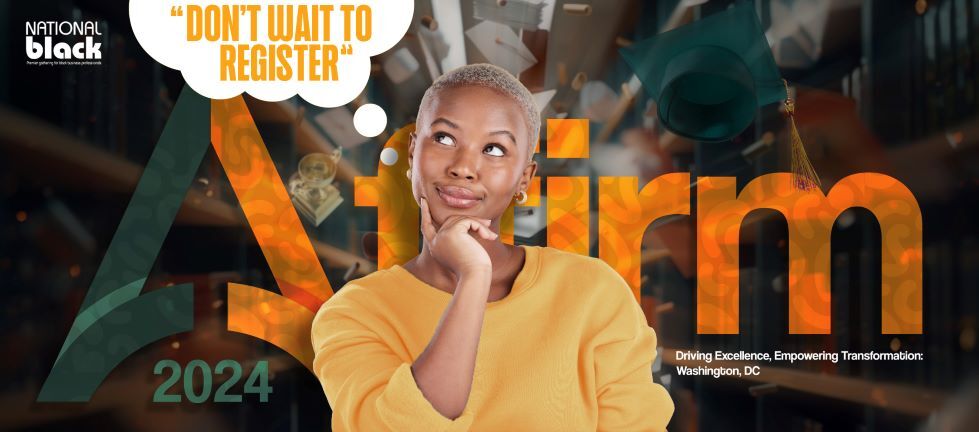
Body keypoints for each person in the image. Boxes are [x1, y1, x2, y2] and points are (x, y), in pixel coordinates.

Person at [311, 63, 674, 431]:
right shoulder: (353, 313)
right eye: (444, 138)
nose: (464, 167)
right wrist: (473, 278)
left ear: (524, 179)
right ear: (412, 153)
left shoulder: (595, 292)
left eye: (495, 148)